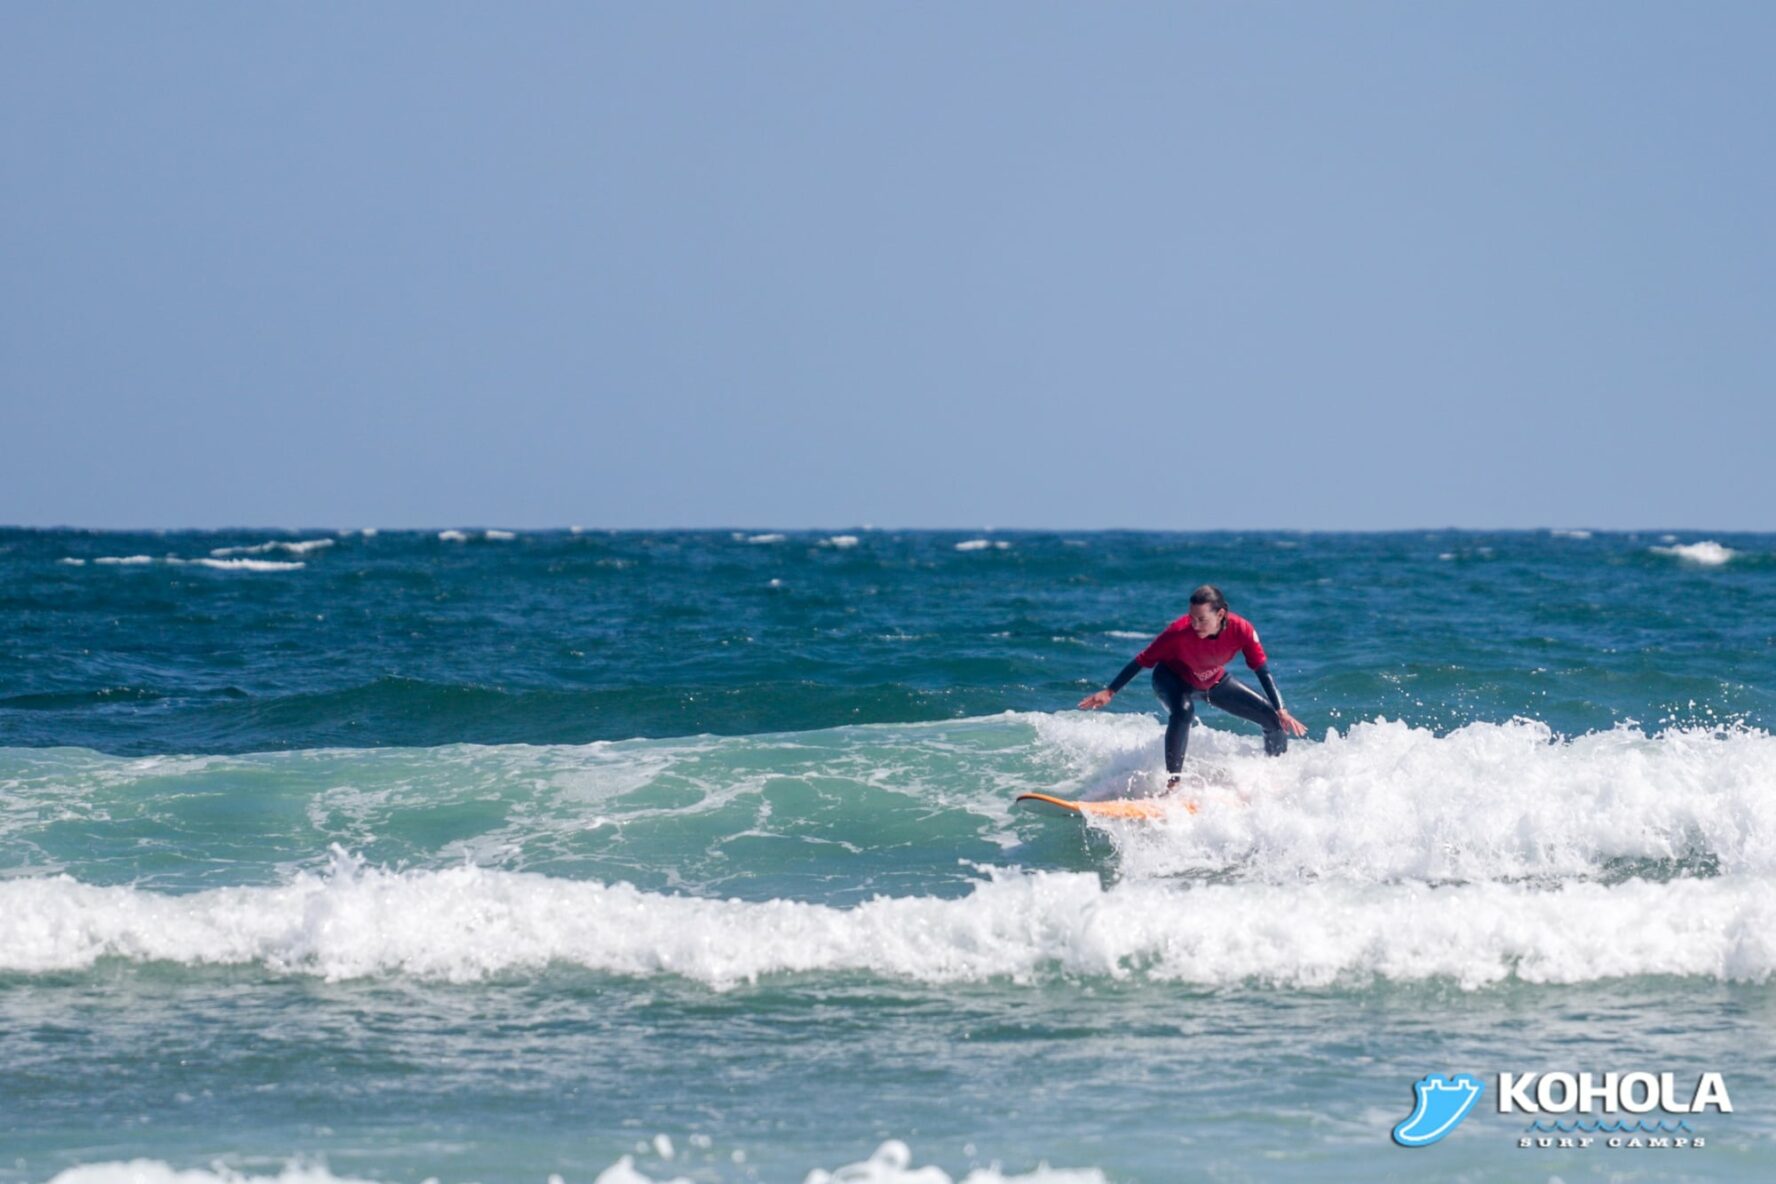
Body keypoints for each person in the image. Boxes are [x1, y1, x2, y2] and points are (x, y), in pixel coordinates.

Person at [1077, 584, 1306, 786]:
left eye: (1201, 619)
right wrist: (1110, 691)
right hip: (1172, 679)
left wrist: (1281, 709)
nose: (1194, 624)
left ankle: (1275, 774)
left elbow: (1262, 671)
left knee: (1274, 719)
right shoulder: (1178, 632)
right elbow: (1142, 660)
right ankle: (1173, 784)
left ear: (1221, 614)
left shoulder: (1242, 630)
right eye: (1192, 617)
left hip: (1213, 680)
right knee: (1183, 712)